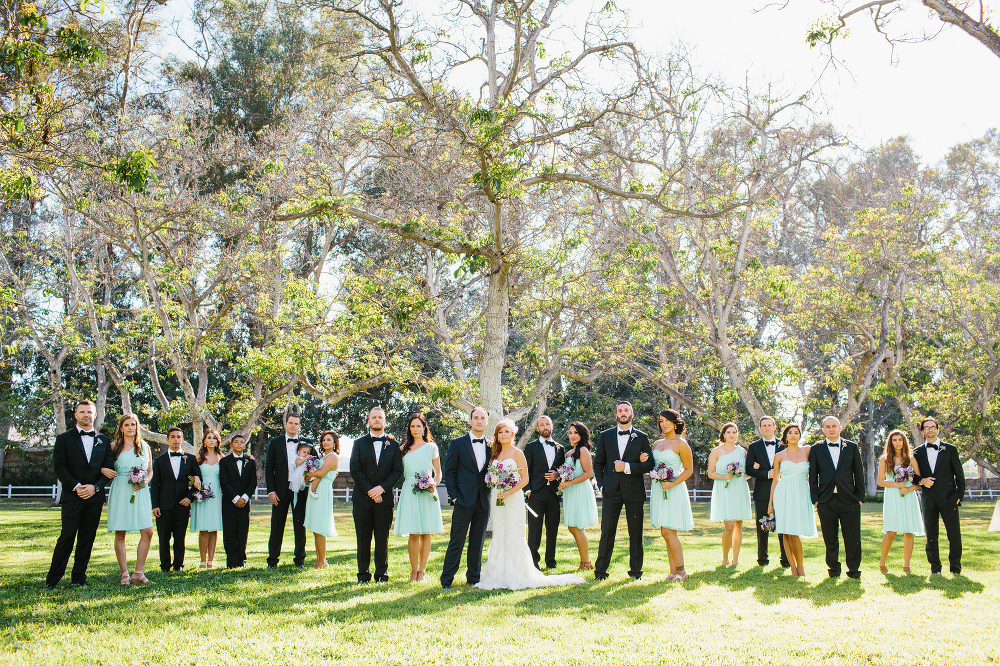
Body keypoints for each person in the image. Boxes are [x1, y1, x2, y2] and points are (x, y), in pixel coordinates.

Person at [475, 419, 585, 590]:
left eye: (506, 432)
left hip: (513, 497)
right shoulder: (494, 455)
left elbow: (524, 478)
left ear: (513, 434)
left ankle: (518, 571)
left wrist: (509, 492)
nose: (503, 435)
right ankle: (497, 571)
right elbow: (490, 475)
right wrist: (495, 483)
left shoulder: (518, 453)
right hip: (498, 497)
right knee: (500, 531)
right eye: (500, 432)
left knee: (513, 531)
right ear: (496, 435)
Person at [46, 400, 115, 589]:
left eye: (89, 412)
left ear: (95, 415)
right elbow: (59, 466)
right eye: (82, 412)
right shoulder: (64, 438)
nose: (86, 415)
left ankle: (78, 577)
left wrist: (96, 487)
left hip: (94, 498)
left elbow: (108, 469)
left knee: (87, 537)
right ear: (75, 415)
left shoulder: (104, 441)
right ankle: (53, 579)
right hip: (72, 495)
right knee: (67, 536)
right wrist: (76, 486)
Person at [593, 400, 655, 580]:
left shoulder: (641, 437)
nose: (623, 413)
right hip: (611, 491)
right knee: (607, 532)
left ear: (632, 413)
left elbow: (649, 464)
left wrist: (627, 466)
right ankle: (600, 571)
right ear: (616, 414)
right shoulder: (606, 436)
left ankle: (636, 572)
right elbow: (598, 462)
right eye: (620, 410)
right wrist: (602, 484)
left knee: (635, 533)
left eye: (626, 410)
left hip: (634, 491)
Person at [350, 406, 404, 582]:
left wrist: (382, 489)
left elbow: (397, 471)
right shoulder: (358, 443)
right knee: (363, 538)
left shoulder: (394, 445)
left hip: (385, 499)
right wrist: (371, 491)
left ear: (385, 421)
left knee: (382, 538)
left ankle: (382, 574)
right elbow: (355, 470)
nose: (377, 420)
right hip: (362, 499)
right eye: (374, 417)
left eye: (380, 417)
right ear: (368, 421)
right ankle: (363, 575)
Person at [441, 406, 492, 588]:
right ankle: (447, 579)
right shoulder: (457, 443)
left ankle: (473, 578)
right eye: (476, 418)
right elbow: (450, 472)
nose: (479, 421)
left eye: (482, 418)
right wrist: (454, 497)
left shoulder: (492, 446)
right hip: (463, 500)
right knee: (457, 540)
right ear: (470, 421)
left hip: (483, 501)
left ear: (486, 422)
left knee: (477, 542)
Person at [808, 416, 864, 579]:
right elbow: (813, 475)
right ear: (823, 430)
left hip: (849, 499)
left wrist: (859, 497)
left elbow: (859, 473)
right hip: (826, 500)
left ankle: (853, 570)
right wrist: (815, 498)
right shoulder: (816, 449)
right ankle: (833, 569)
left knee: (852, 536)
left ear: (840, 428)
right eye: (828, 426)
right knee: (830, 537)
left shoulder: (852, 447)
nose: (831, 429)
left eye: (834, 426)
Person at [104, 414, 154, 585]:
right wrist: (104, 470)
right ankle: (125, 574)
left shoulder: (145, 447)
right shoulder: (113, 446)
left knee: (147, 531)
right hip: (121, 489)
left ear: (137, 427)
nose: (130, 427)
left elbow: (150, 471)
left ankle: (138, 573)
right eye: (127, 425)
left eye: (133, 424)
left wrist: (145, 481)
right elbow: (100, 465)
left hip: (141, 491)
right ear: (121, 428)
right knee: (120, 532)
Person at [645, 409, 694, 581]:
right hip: (660, 489)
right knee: (666, 532)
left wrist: (673, 483)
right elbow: (652, 465)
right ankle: (673, 571)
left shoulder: (681, 444)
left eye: (666, 420)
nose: (663, 424)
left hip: (674, 489)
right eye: (660, 421)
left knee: (667, 531)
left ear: (675, 422)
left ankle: (682, 572)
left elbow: (688, 470)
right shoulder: (656, 444)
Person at [394, 413, 444, 581]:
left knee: (425, 532)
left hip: (428, 492)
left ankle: (422, 571)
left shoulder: (432, 447)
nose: (415, 429)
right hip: (410, 490)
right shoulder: (403, 449)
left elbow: (438, 473)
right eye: (412, 426)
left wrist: (433, 485)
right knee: (413, 533)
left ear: (424, 428)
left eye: (419, 426)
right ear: (409, 429)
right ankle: (413, 571)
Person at [912, 417, 965, 574]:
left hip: (949, 499)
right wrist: (921, 480)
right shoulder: (917, 452)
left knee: (954, 535)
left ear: (937, 429)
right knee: (931, 536)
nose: (930, 429)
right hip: (929, 500)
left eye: (933, 427)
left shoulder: (950, 450)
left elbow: (960, 476)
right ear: (922, 431)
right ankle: (935, 568)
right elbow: (910, 474)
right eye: (926, 427)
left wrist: (958, 496)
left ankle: (955, 567)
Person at [265, 412, 314, 568]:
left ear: (299, 426)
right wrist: (271, 491)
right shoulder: (275, 442)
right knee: (277, 525)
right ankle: (272, 561)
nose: (293, 426)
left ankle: (300, 560)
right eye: (290, 423)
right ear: (285, 424)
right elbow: (269, 469)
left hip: (300, 489)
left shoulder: (308, 443)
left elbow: (316, 463)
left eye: (296, 423)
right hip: (280, 489)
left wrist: (310, 476)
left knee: (300, 525)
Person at [767, 423, 816, 577]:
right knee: (786, 533)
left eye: (796, 432)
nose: (793, 435)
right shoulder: (779, 456)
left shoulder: (808, 451)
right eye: (790, 433)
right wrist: (770, 504)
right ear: (785, 436)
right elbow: (775, 480)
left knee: (794, 533)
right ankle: (795, 568)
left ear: (800, 435)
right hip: (783, 494)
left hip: (801, 493)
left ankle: (800, 566)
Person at [151, 426, 200, 572]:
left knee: (180, 538)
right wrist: (155, 505)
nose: (176, 439)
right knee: (164, 539)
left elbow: (198, 481)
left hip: (182, 505)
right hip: (164, 505)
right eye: (172, 437)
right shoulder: (159, 461)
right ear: (167, 440)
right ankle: (165, 566)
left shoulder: (190, 459)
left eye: (179, 437)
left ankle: (178, 565)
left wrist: (189, 498)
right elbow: (155, 485)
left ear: (182, 440)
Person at [877, 429, 924, 574]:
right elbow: (880, 482)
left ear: (904, 441)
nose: (897, 442)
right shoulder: (884, 459)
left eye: (900, 439)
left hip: (908, 496)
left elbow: (919, 481)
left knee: (908, 531)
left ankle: (906, 565)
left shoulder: (911, 459)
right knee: (891, 531)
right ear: (890, 442)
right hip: (892, 496)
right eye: (894, 440)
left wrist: (909, 489)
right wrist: (897, 485)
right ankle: (882, 562)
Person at [746, 415, 790, 568]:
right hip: (762, 491)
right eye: (763, 425)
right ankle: (762, 559)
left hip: (783, 490)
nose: (766, 428)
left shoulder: (784, 445)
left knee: (783, 525)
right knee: (762, 526)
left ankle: (786, 559)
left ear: (774, 427)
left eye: (769, 425)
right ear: (760, 428)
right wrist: (766, 473)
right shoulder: (754, 447)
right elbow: (748, 469)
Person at [707, 422, 753, 567]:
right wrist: (723, 477)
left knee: (738, 525)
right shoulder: (716, 451)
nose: (732, 435)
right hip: (724, 489)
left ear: (737, 434)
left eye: (734, 432)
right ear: (724, 434)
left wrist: (752, 470)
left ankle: (735, 559)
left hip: (739, 488)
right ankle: (725, 558)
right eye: (729, 432)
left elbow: (747, 473)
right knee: (729, 526)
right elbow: (710, 473)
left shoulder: (742, 452)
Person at [524, 415, 565, 570]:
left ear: (552, 426)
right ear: (538, 428)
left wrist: (557, 475)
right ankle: (533, 562)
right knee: (534, 529)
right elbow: (525, 470)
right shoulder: (531, 447)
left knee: (552, 528)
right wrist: (527, 490)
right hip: (535, 494)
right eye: (542, 425)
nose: (545, 427)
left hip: (554, 494)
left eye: (547, 424)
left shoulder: (560, 449)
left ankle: (551, 561)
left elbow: (563, 470)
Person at [558, 421, 598, 571]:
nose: (572, 435)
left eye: (575, 432)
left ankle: (586, 562)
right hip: (570, 491)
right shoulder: (568, 453)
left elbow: (589, 473)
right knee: (573, 526)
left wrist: (570, 482)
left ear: (581, 434)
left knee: (576, 526)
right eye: (570, 432)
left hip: (580, 490)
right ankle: (584, 561)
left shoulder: (583, 450)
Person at [219, 434, 256, 568]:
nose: (239, 444)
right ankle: (231, 561)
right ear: (231, 445)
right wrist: (235, 498)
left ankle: (242, 560)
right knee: (229, 533)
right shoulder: (224, 461)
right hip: (229, 503)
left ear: (245, 445)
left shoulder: (250, 461)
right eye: (236, 442)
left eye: (242, 442)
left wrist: (244, 498)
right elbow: (224, 482)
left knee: (242, 532)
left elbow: (253, 482)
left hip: (245, 504)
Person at [304, 430, 340, 569]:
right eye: (324, 440)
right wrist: (310, 476)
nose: (325, 442)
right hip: (316, 490)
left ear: (334, 442)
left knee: (319, 527)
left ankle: (322, 561)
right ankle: (319, 560)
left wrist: (306, 472)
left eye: (329, 440)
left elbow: (321, 473)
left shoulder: (333, 457)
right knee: (315, 528)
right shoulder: (324, 456)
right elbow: (316, 473)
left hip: (323, 491)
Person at [189, 429, 224, 569]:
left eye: (214, 438)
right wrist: (195, 481)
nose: (211, 440)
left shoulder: (222, 457)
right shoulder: (197, 457)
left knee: (213, 528)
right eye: (209, 438)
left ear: (217, 441)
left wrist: (249, 458)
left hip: (217, 493)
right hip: (202, 494)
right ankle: (202, 561)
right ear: (204, 440)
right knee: (203, 528)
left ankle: (211, 561)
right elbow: (189, 474)